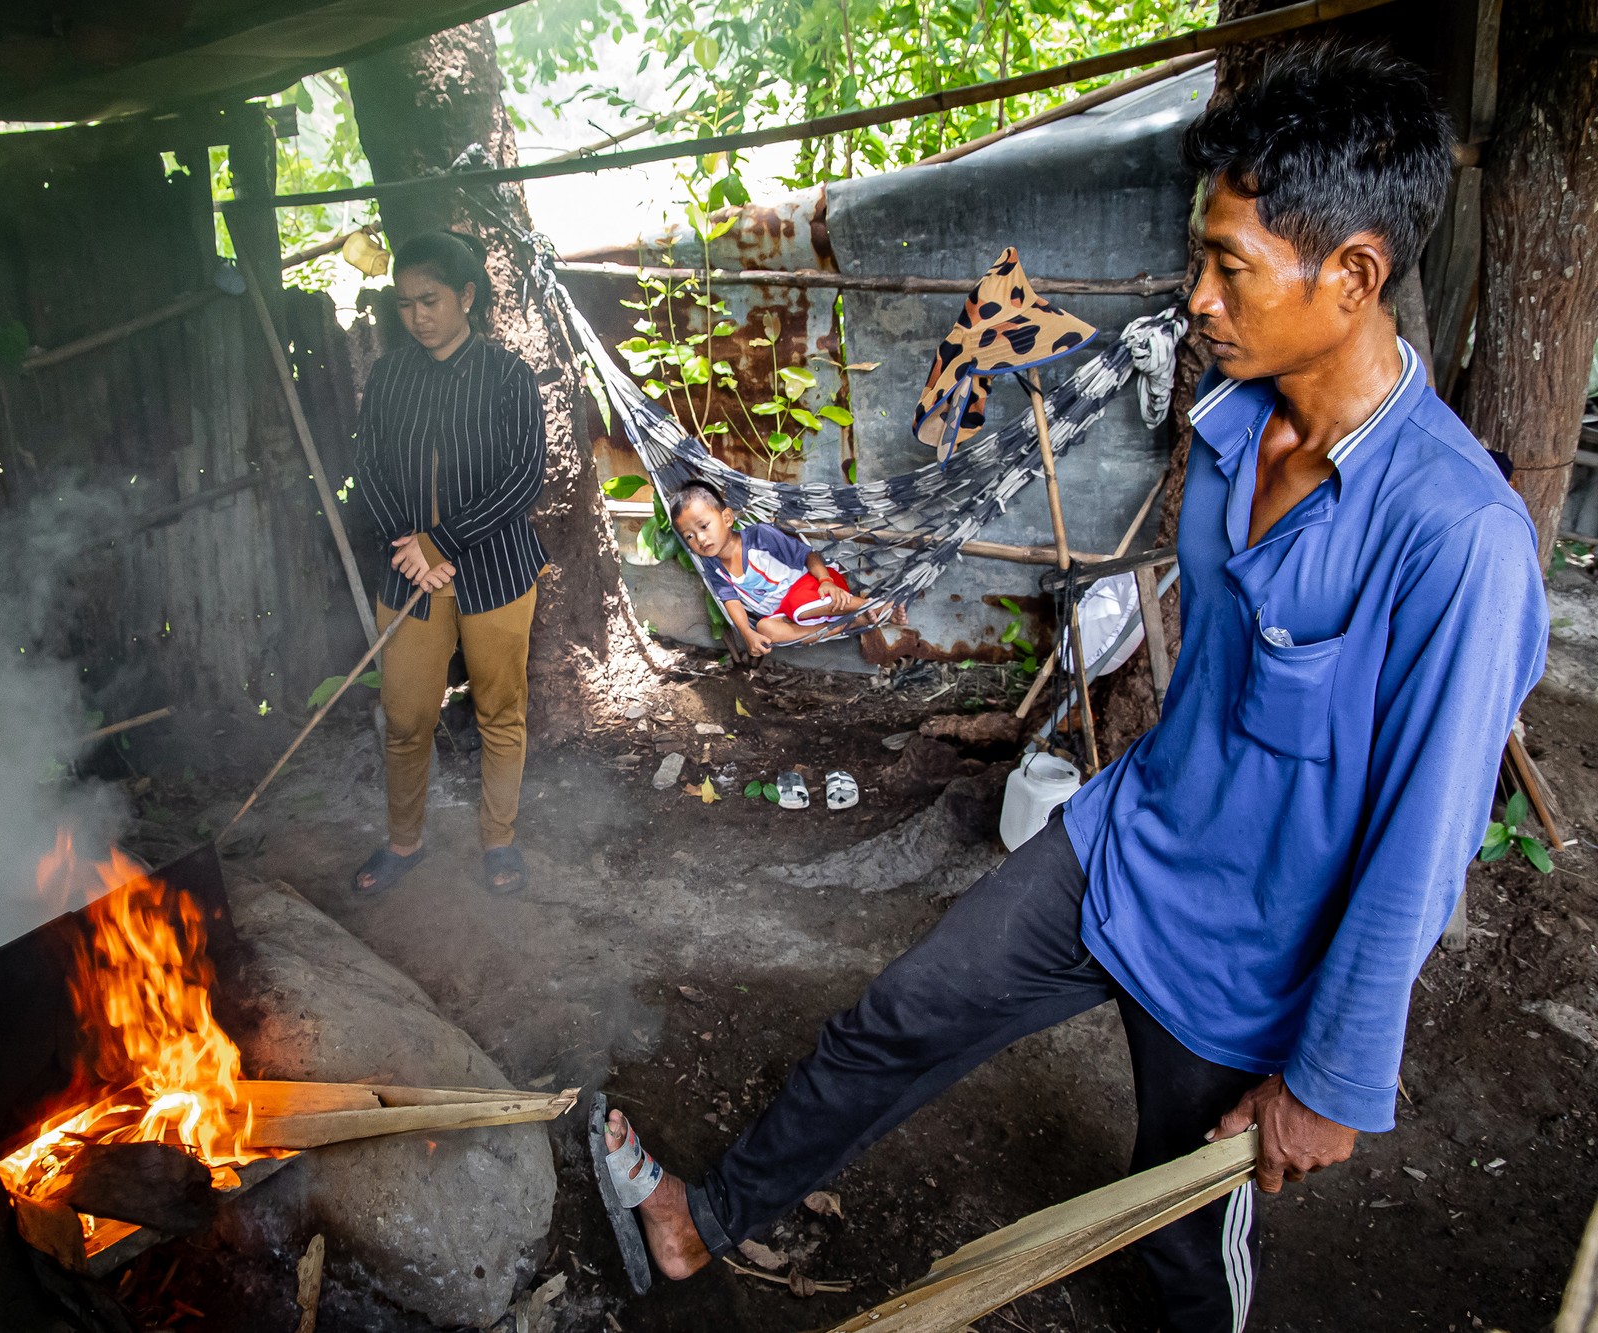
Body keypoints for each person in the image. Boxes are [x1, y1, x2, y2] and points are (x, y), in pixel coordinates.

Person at [596, 42, 1550, 1332]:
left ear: (1355, 274)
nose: (1196, 296)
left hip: (1247, 965)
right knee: (895, 1016)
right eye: (1196, 256)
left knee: (1172, 1244)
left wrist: (1327, 1076)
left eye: (1229, 265)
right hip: (1117, 852)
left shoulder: (1457, 537)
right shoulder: (1226, 434)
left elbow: (1423, 841)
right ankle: (705, 1223)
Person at [351, 231, 546, 897]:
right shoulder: (389, 376)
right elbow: (368, 467)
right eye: (404, 304)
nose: (417, 316)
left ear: (466, 294)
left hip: (495, 573)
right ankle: (403, 843)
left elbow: (522, 479)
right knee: (406, 717)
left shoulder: (508, 377)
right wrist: (411, 545)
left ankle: (500, 840)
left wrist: (444, 543)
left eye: (429, 299)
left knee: (500, 710)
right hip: (410, 574)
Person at [668, 481, 889, 656]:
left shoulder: (760, 537)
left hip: (817, 586)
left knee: (798, 604)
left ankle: (877, 606)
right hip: (789, 613)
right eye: (689, 536)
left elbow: (808, 555)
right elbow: (730, 601)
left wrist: (826, 581)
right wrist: (747, 633)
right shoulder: (712, 566)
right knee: (765, 628)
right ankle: (848, 623)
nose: (700, 538)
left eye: (704, 526)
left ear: (727, 518)